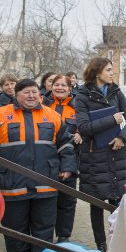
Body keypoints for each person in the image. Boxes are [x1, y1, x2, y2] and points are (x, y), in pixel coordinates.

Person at [0, 79, 76, 252]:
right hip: (11, 182)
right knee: (14, 224)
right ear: (16, 95)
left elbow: (66, 144)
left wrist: (67, 166)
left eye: (34, 92)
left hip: (45, 181)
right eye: (26, 92)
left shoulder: (52, 116)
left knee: (43, 224)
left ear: (40, 95)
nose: (31, 96)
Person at [75, 57, 126, 252]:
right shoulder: (82, 96)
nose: (113, 73)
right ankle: (101, 246)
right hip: (94, 158)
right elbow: (84, 128)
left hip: (117, 155)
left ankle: (118, 242)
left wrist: (122, 136)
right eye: (109, 70)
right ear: (97, 72)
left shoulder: (116, 92)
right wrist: (111, 119)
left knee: (119, 201)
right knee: (96, 203)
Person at [43, 74, 82, 243]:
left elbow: (88, 126)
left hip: (70, 158)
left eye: (64, 86)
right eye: (56, 84)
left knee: (67, 200)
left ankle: (64, 236)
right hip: (45, 159)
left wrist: (82, 133)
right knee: (46, 201)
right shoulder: (41, 104)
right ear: (50, 86)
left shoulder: (78, 106)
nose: (60, 88)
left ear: (70, 88)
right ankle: (44, 235)